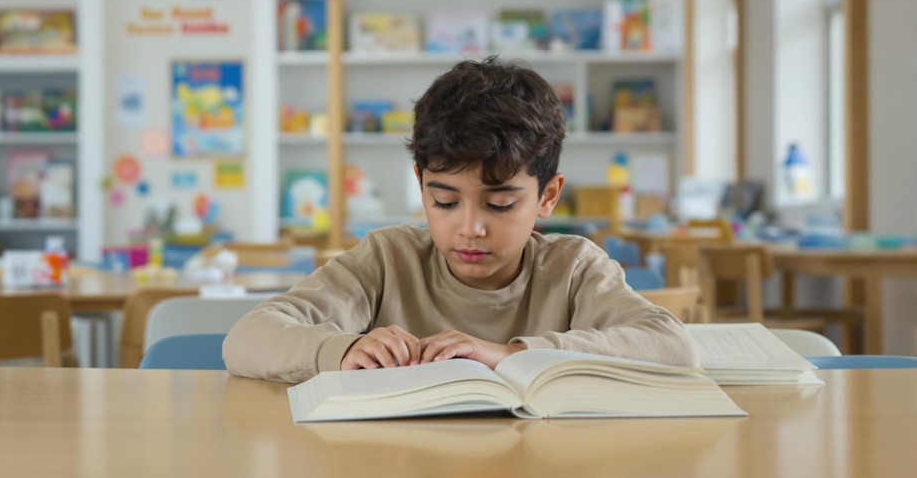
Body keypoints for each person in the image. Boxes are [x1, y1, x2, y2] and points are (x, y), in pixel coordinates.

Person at [223, 56, 698, 384]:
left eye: (500, 205)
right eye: (445, 202)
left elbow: (675, 348)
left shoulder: (573, 267)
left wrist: (514, 356)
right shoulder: (388, 258)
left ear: (547, 196)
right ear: (421, 185)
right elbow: (246, 339)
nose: (470, 227)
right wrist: (341, 350)